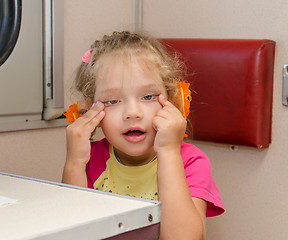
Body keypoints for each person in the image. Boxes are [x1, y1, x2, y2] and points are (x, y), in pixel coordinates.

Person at [62, 31, 224, 239]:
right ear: (90, 112)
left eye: (148, 96)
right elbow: (72, 234)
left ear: (174, 102)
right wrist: (74, 162)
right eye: (112, 101)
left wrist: (168, 152)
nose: (132, 113)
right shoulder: (88, 159)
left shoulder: (190, 162)